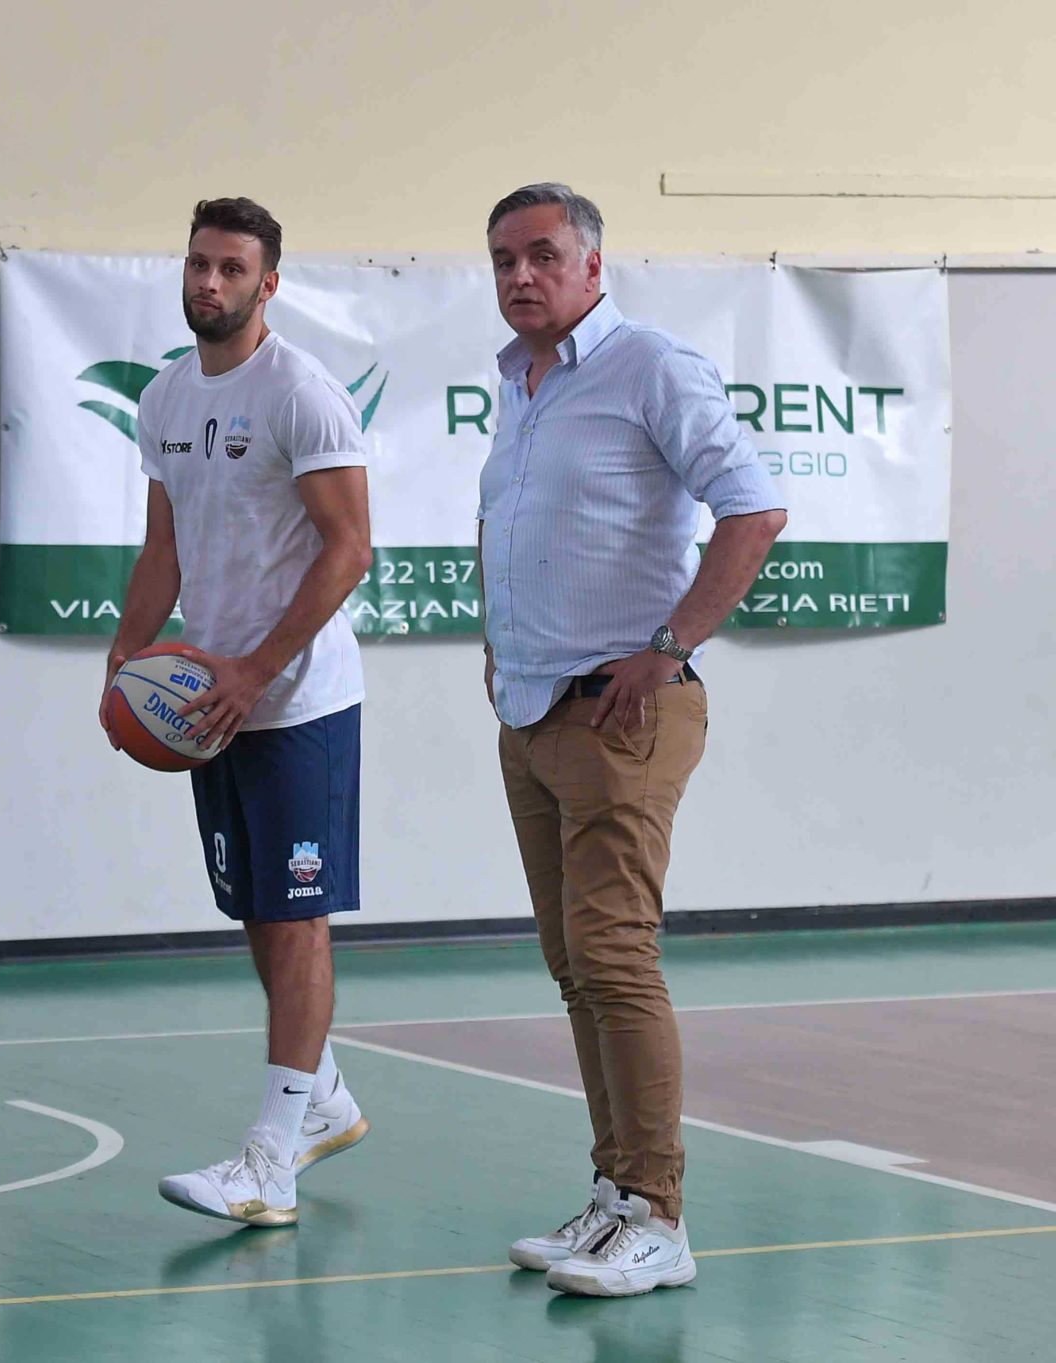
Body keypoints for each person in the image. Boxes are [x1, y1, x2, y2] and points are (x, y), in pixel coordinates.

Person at [478, 184, 787, 1295]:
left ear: (593, 266)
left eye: (542, 255)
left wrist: (670, 645)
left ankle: (659, 1215)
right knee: (575, 968)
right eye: (503, 258)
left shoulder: (649, 366)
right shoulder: (520, 384)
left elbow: (752, 508)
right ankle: (614, 1196)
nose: (520, 275)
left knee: (614, 958)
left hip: (623, 716)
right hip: (532, 713)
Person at [103, 198, 374, 1227]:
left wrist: (259, 669)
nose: (208, 283)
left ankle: (271, 1160)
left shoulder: (300, 393)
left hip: (296, 698)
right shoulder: (166, 396)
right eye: (197, 264)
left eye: (229, 268)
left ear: (268, 285)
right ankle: (323, 1096)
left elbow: (350, 548)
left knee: (296, 919)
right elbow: (162, 549)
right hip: (210, 702)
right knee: (258, 912)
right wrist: (125, 657)